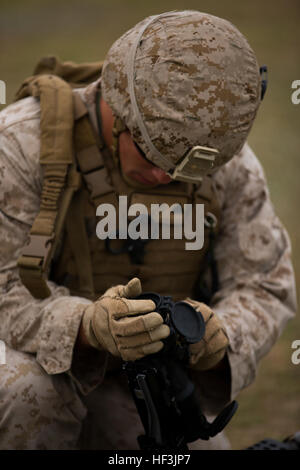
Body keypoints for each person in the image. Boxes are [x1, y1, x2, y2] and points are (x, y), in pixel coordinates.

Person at [0, 10, 297, 450]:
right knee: (26, 395)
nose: (166, 177)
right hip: (36, 366)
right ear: (117, 110)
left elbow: (266, 284)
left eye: (184, 169)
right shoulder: (22, 146)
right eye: (152, 156)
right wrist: (86, 325)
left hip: (140, 384)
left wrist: (219, 335)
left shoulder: (221, 157)